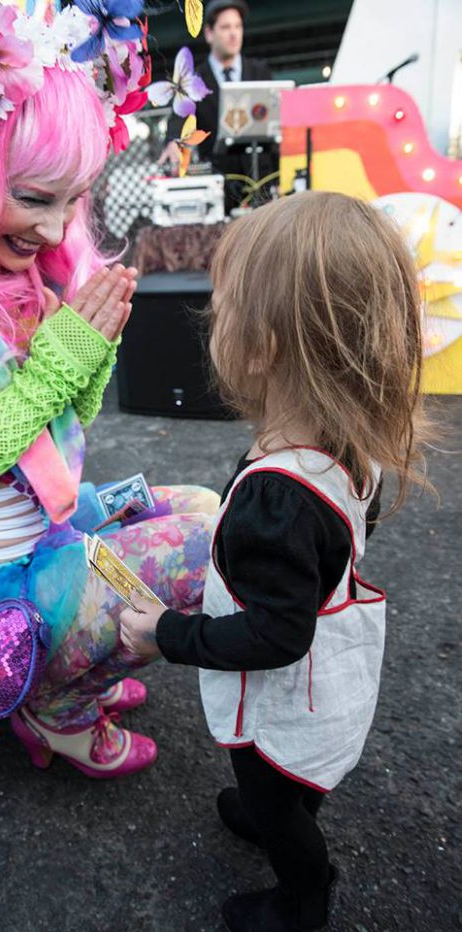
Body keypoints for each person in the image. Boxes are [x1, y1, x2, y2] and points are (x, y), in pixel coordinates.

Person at [0, 1, 219, 797]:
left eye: (75, 198)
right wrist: (47, 381)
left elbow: (50, 451)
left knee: (209, 506)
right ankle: (56, 702)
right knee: (203, 553)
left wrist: (82, 375)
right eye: (35, 197)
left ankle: (73, 665)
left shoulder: (18, 267)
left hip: (44, 542)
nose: (59, 231)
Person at [120, 191, 430, 931]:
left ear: (263, 347)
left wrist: (166, 633)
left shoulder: (277, 500)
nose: (209, 318)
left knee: (270, 795)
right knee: (290, 783)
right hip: (338, 671)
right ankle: (284, 807)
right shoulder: (352, 447)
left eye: (221, 307)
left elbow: (275, 637)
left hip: (285, 695)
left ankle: (302, 891)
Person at [160, 0, 274, 209]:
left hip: (264, 185)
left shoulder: (261, 72)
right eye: (226, 27)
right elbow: (179, 116)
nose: (233, 33)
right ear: (209, 33)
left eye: (238, 26)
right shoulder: (193, 80)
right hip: (219, 188)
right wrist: (173, 142)